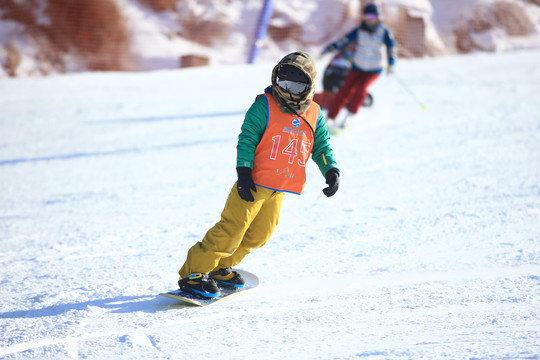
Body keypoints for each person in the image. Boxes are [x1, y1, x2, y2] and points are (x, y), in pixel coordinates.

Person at [177, 51, 340, 299]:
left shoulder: (314, 113)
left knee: (259, 235)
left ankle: (221, 267)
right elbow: (247, 140)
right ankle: (194, 273)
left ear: (309, 85)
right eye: (284, 82)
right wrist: (243, 173)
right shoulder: (264, 105)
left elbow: (321, 146)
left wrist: (331, 170)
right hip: (253, 183)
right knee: (232, 230)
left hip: (279, 187)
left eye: (297, 84)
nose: (289, 89)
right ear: (276, 79)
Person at [321, 3, 396, 128]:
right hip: (357, 66)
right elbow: (345, 40)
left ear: (378, 17)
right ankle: (331, 117)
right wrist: (332, 47)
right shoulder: (360, 30)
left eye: (372, 17)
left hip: (374, 69)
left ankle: (349, 116)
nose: (369, 20)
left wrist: (391, 64)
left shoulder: (383, 32)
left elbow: (391, 48)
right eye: (367, 17)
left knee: (361, 89)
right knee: (344, 90)